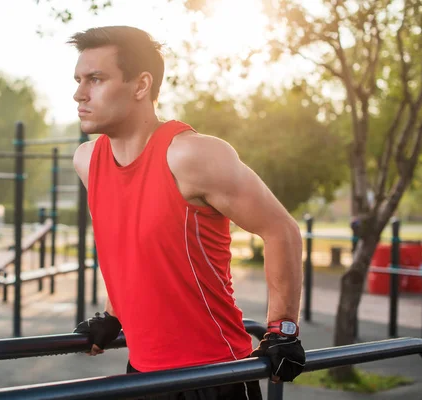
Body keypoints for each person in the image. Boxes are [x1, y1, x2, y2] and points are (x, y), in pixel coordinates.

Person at [69, 25, 305, 399]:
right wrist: (113, 315)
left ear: (141, 85)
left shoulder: (191, 155)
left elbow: (282, 230)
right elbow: (129, 245)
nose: (79, 94)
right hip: (142, 374)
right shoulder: (87, 161)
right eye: (79, 80)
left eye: (95, 79)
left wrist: (282, 330)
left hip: (214, 375)